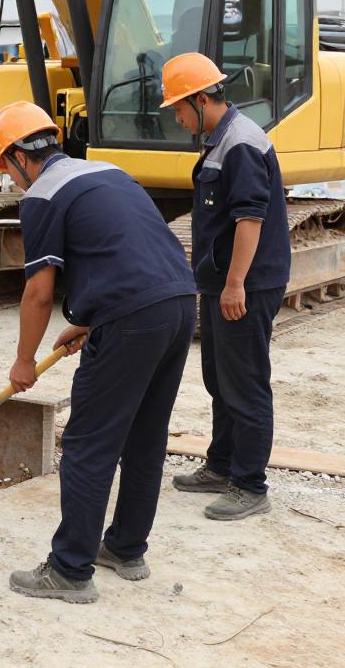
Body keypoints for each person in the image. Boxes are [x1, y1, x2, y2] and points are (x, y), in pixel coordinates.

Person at [0, 102, 197, 604]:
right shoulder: (109, 171)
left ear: (19, 155)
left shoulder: (41, 195)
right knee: (145, 435)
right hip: (177, 304)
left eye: (5, 167)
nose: (11, 179)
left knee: (88, 443)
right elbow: (126, 249)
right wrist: (89, 320)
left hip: (133, 316)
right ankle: (126, 548)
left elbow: (39, 292)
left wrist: (24, 361)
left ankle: (69, 569)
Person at [160, 52, 290, 520]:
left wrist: (235, 284)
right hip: (222, 283)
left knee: (246, 382)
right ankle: (221, 465)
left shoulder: (240, 143)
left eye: (178, 107)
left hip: (247, 285)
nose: (176, 117)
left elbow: (249, 220)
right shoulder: (220, 140)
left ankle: (250, 484)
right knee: (219, 377)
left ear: (199, 99)